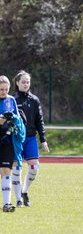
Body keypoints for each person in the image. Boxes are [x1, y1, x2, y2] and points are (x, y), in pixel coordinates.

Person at [12, 70, 49, 207]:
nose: (26, 84)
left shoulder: (34, 100)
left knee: (34, 167)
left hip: (31, 138)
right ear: (17, 83)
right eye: (23, 82)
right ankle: (18, 199)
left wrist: (43, 139)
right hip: (16, 139)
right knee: (17, 169)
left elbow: (40, 121)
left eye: (28, 82)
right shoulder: (12, 100)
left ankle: (24, 192)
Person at [0, 75, 26, 212]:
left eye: (6, 89)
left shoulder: (11, 100)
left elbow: (17, 119)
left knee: (6, 171)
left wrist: (13, 118)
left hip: (7, 140)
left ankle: (7, 204)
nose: (4, 92)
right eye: (1, 89)